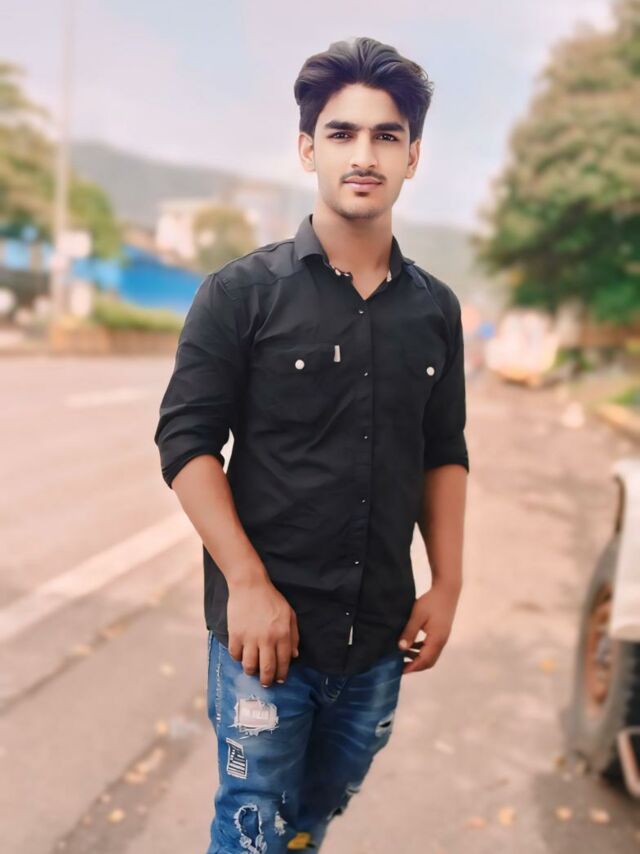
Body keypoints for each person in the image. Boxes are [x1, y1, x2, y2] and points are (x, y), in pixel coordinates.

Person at [154, 35, 469, 853]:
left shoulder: (435, 311)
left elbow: (444, 449)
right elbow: (186, 442)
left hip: (380, 635)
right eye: (342, 133)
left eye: (386, 135)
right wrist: (247, 582)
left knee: (313, 818)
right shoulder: (240, 294)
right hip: (267, 638)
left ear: (412, 156)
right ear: (307, 149)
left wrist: (449, 581)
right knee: (253, 824)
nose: (364, 155)